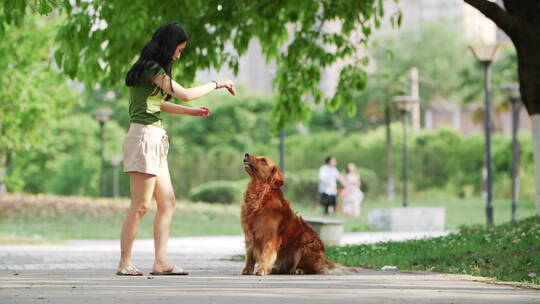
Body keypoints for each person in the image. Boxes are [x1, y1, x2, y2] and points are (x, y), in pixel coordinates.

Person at [117, 23, 236, 276]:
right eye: (178, 49)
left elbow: (158, 105)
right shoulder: (150, 69)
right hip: (144, 138)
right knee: (141, 205)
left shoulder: (151, 70)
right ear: (168, 45)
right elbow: (184, 94)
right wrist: (218, 83)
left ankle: (161, 262)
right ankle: (124, 262)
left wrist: (191, 112)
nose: (178, 55)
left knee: (167, 202)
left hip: (156, 139)